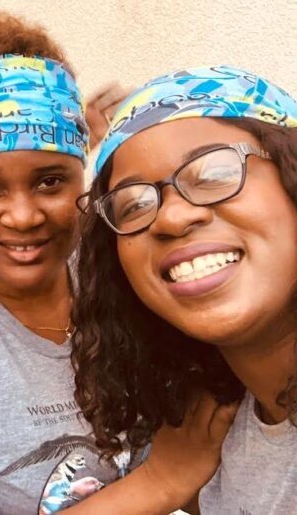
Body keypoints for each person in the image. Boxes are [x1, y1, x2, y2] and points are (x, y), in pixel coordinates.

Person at [0, 13, 238, 514]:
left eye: (49, 182)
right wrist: (162, 483)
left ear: (82, 177)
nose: (22, 216)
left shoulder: (126, 267)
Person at [72, 66, 297, 513]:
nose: (171, 219)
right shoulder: (223, 428)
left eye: (213, 174)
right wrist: (161, 480)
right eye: (133, 204)